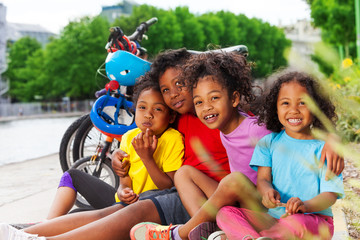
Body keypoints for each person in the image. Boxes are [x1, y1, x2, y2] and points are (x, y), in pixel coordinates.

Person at [0, 48, 230, 240]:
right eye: (167, 90)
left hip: (192, 195)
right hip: (165, 193)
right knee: (110, 211)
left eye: (181, 84)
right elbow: (129, 176)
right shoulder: (177, 118)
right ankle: (22, 234)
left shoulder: (202, 118)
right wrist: (121, 177)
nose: (174, 95)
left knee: (130, 211)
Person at [130, 51, 272, 240]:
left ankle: (178, 234)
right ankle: (208, 231)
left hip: (266, 207)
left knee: (234, 180)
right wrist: (123, 153)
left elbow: (288, 144)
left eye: (214, 98)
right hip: (235, 209)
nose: (206, 108)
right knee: (185, 173)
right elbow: (153, 121)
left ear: (234, 99)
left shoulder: (253, 129)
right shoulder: (216, 126)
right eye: (199, 102)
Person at [215, 71, 344, 239]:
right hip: (274, 219)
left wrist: (305, 206)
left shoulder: (325, 149)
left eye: (303, 103)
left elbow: (330, 195)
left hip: (313, 221)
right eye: (285, 103)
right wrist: (267, 192)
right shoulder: (268, 143)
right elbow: (263, 179)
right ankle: (251, 237)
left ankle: (245, 236)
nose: (294, 110)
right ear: (275, 108)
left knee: (295, 223)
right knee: (225, 212)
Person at [46, 74, 184, 219]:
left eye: (158, 109)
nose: (148, 115)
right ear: (135, 109)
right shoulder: (128, 137)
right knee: (71, 178)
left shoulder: (172, 139)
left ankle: (39, 230)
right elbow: (125, 183)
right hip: (124, 204)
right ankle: (46, 224)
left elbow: (170, 188)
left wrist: (147, 158)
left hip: (147, 209)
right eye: (142, 107)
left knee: (83, 219)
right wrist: (122, 192)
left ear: (171, 117)